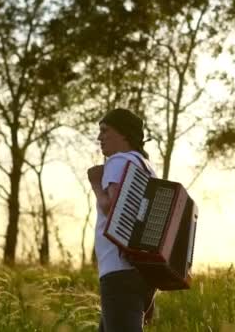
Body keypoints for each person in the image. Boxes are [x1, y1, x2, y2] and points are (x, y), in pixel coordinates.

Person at [87, 108, 157, 332]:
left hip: (118, 271)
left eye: (105, 131)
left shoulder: (118, 162)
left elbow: (112, 208)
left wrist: (96, 182)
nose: (100, 137)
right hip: (140, 272)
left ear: (123, 134)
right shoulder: (146, 167)